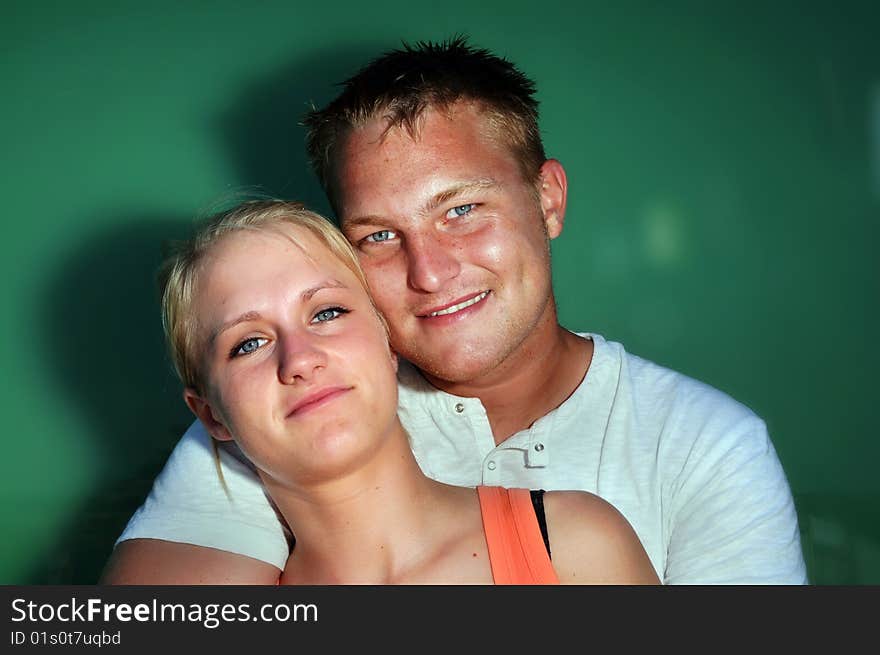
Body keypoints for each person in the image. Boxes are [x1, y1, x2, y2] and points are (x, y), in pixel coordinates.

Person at [102, 38, 807, 585]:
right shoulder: (311, 410)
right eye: (378, 236)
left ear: (548, 199)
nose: (430, 271)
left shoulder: (707, 450)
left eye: (462, 210)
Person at [149, 199, 659, 584]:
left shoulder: (576, 547)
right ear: (211, 416)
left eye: (327, 313)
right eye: (249, 343)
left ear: (388, 345)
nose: (300, 359)